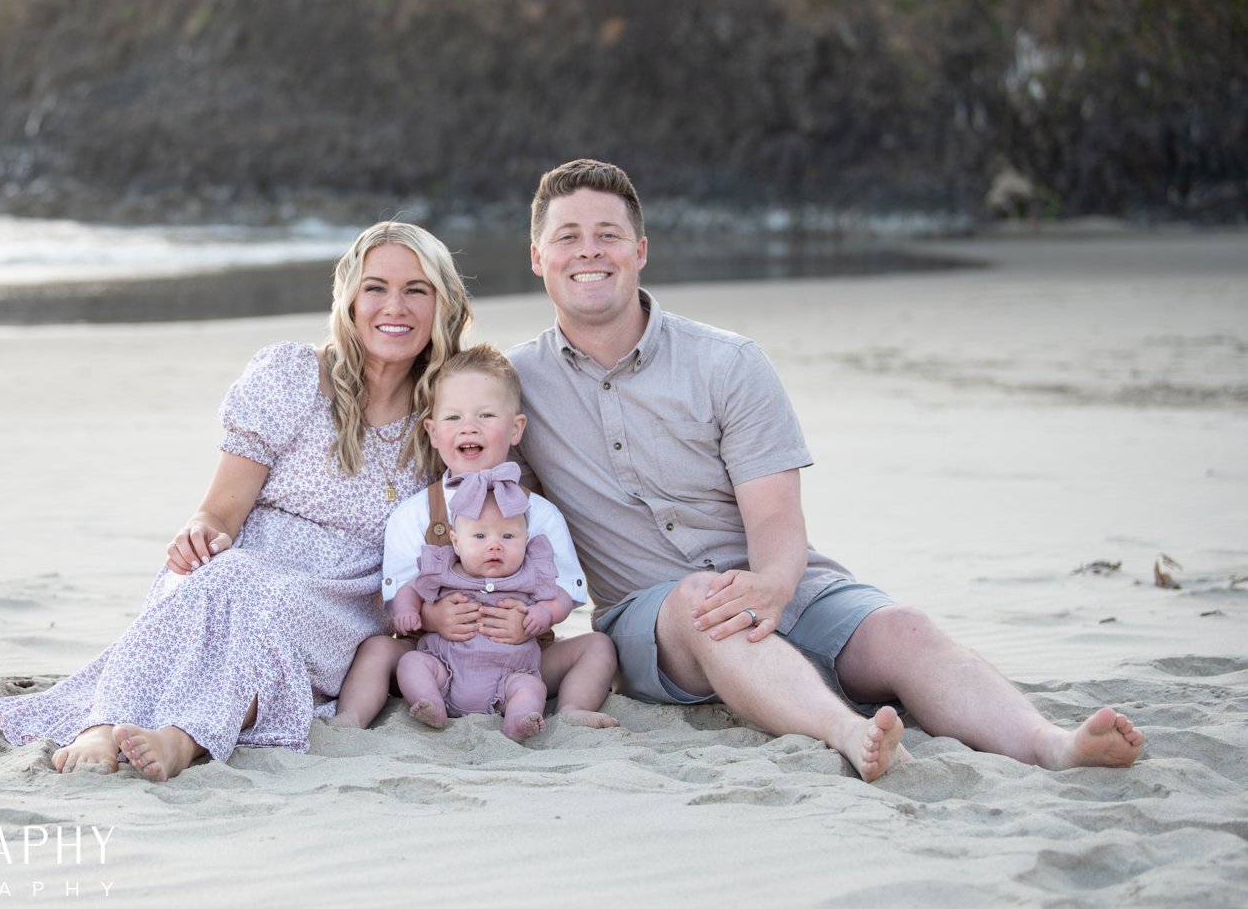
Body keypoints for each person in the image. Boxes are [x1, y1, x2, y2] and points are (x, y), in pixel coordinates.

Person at [507, 158, 1145, 782]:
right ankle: (847, 733)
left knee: (904, 628)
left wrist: (774, 588)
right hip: (653, 625)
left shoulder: (727, 363)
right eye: (568, 238)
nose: (589, 252)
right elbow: (478, 497)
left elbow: (776, 513)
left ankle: (1054, 746)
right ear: (538, 257)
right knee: (706, 604)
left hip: (784, 580)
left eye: (608, 235)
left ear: (640, 250)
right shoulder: (514, 388)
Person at [0, 221, 473, 780]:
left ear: (441, 304)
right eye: (375, 288)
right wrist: (201, 532)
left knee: (259, 599)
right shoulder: (292, 376)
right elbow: (220, 512)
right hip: (243, 558)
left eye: (414, 290)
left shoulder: (452, 414)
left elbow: (478, 521)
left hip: (342, 596)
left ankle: (184, 738)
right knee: (210, 573)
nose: (393, 306)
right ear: (349, 300)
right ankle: (103, 725)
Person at [334, 344, 618, 731]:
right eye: (453, 417)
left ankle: (570, 708)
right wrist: (430, 618)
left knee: (598, 646)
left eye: (486, 415)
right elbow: (397, 591)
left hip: (521, 658)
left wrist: (540, 617)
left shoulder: (541, 514)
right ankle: (358, 716)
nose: (469, 427)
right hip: (439, 659)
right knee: (378, 649)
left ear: (516, 428)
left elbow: (566, 588)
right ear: (432, 432)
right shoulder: (416, 513)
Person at [393, 482, 566, 742]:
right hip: (446, 671)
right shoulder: (443, 569)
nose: (495, 546)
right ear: (456, 542)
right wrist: (407, 609)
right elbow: (410, 589)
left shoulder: (531, 572)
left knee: (532, 688)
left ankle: (518, 719)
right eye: (480, 536)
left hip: (508, 678)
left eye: (508, 537)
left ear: (525, 540)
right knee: (411, 663)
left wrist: (546, 612)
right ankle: (430, 702)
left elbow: (560, 597)